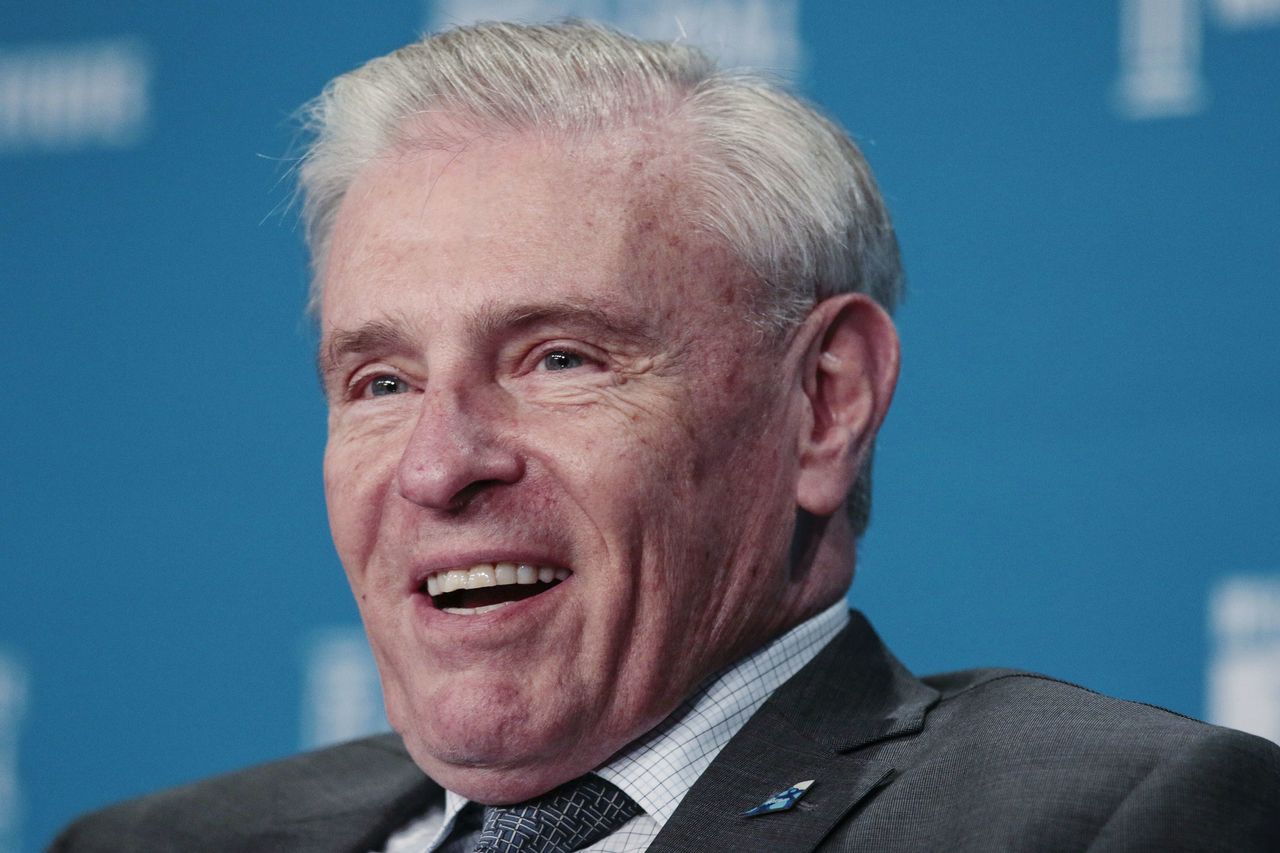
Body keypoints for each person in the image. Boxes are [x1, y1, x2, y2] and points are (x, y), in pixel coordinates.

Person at [52, 20, 1279, 853]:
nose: (437, 465)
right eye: (379, 381)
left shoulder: (1095, 819)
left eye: (560, 358)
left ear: (824, 402)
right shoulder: (153, 842)